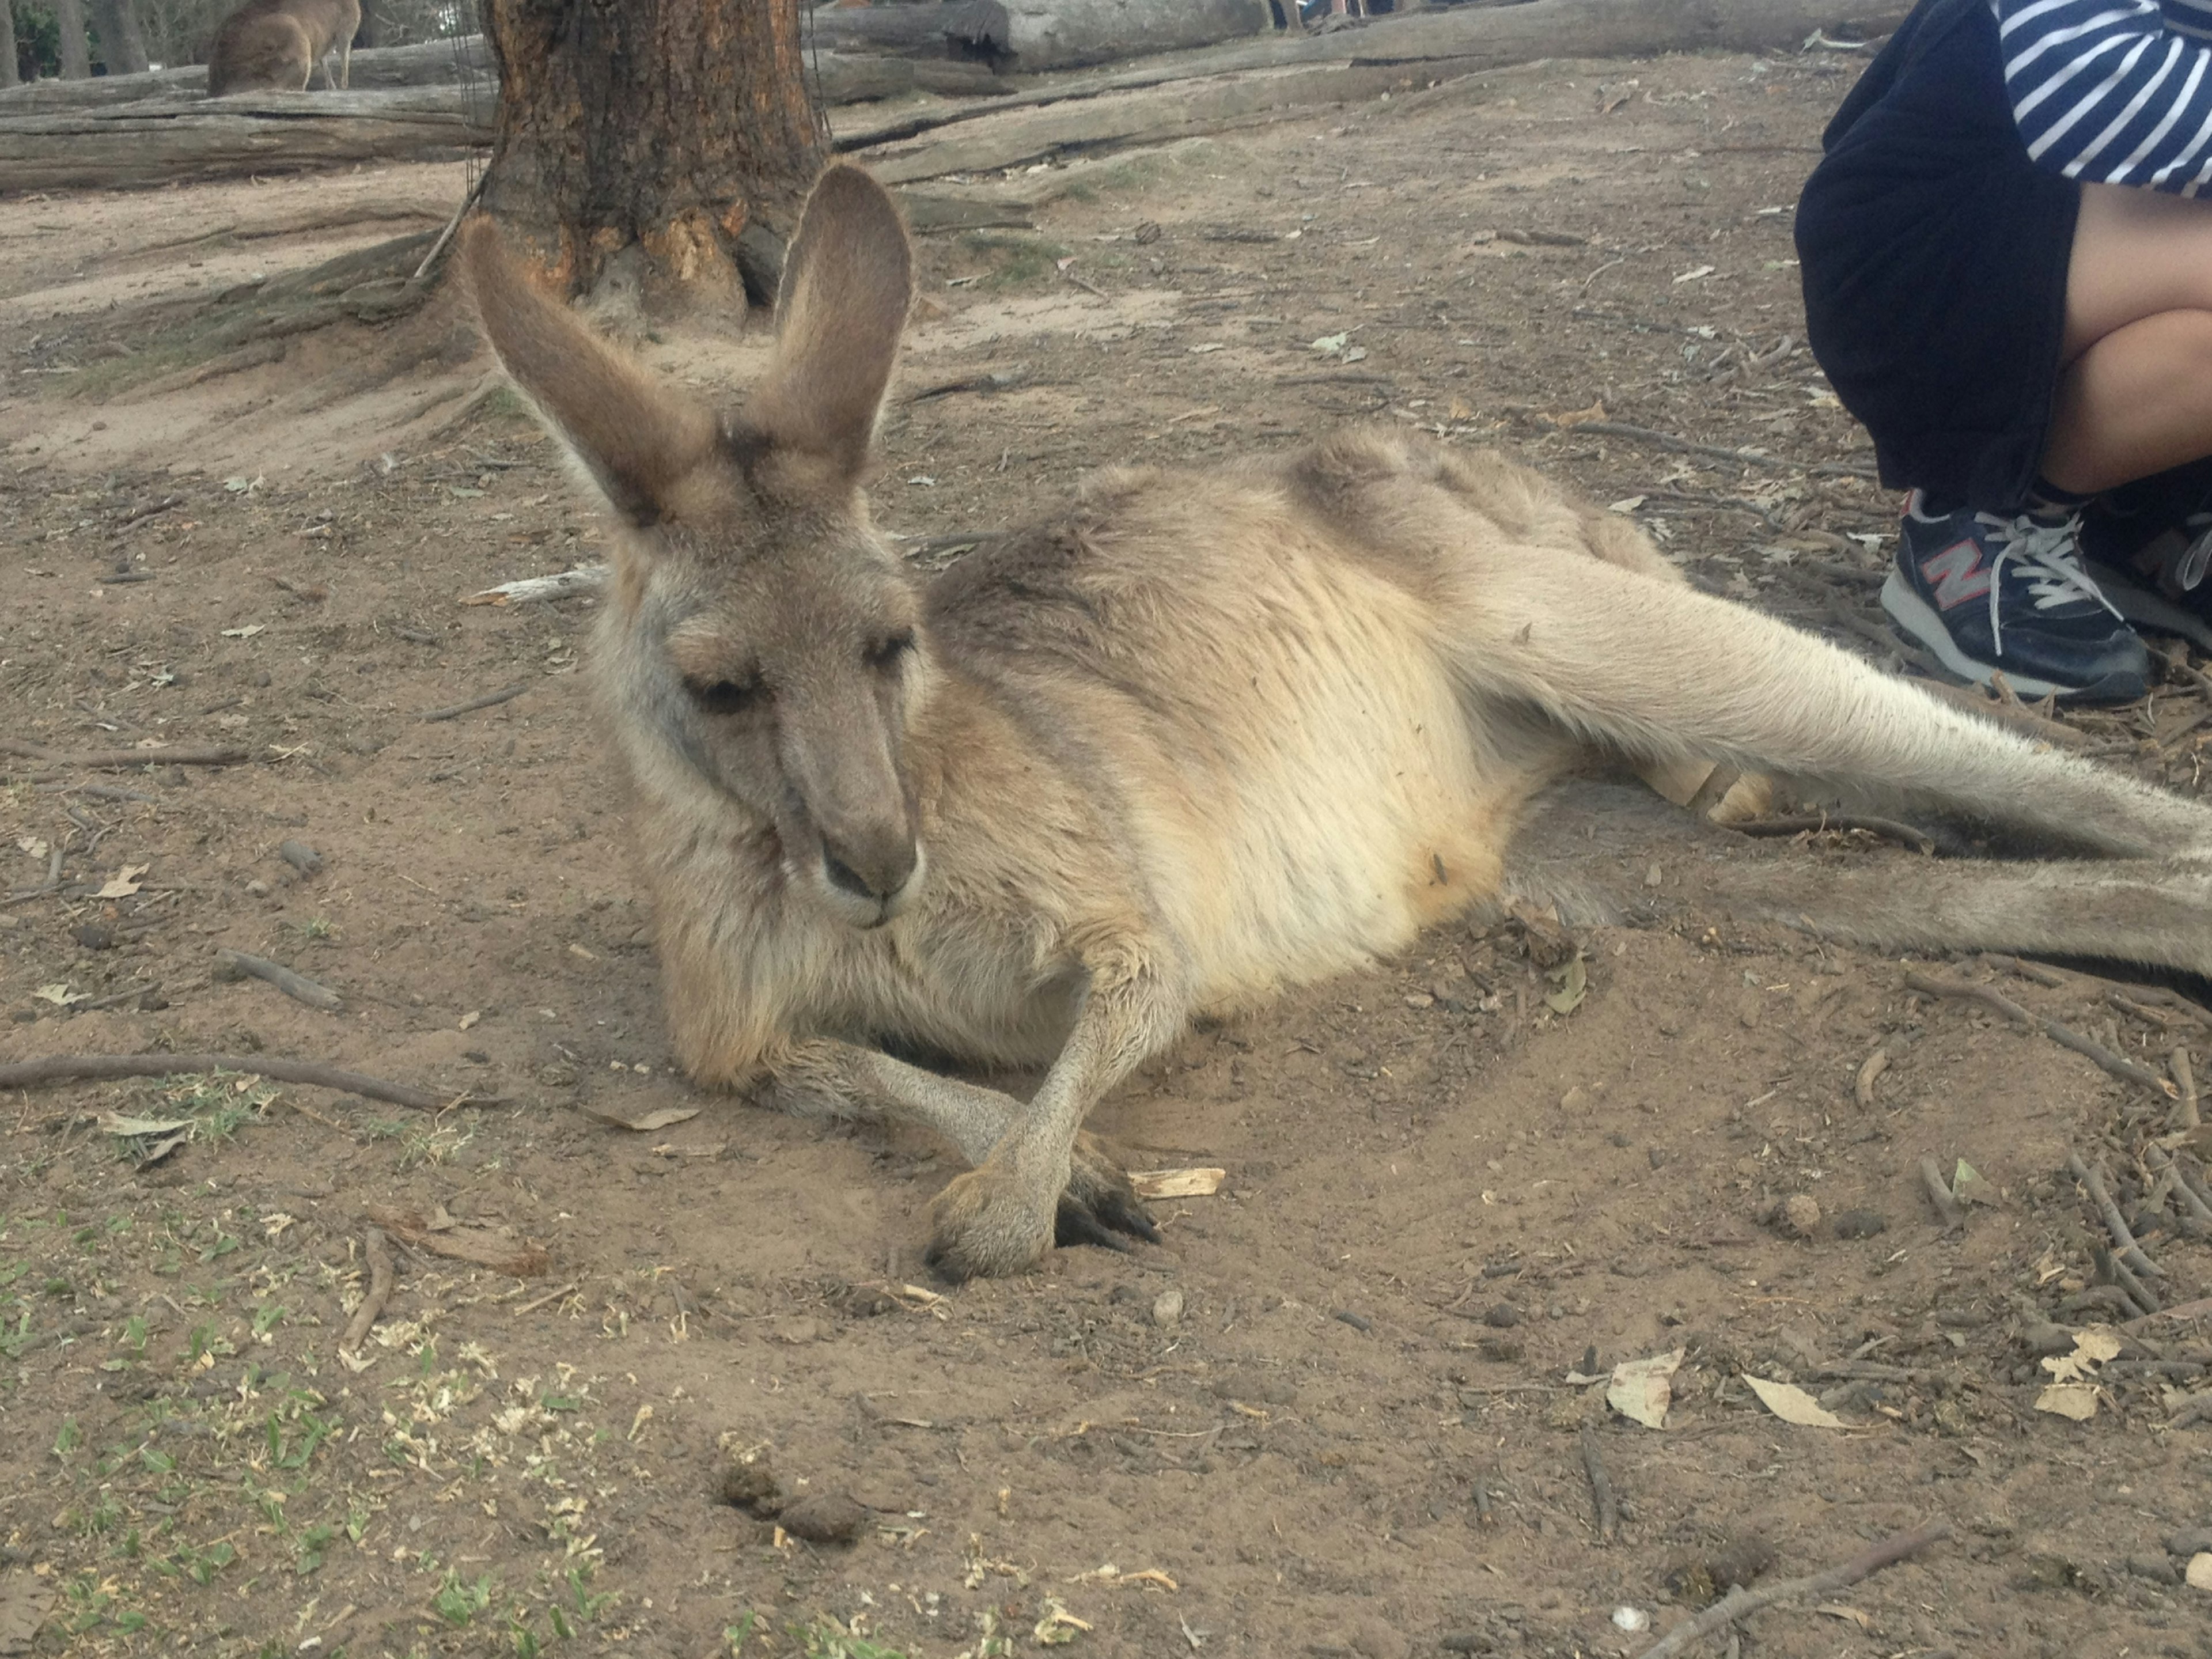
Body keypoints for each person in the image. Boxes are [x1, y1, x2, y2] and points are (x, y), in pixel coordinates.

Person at [1797, 0, 2212, 702]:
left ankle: (2139, 516)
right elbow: (2080, 80)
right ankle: (1979, 514)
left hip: (2079, 228)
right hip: (1921, 256)